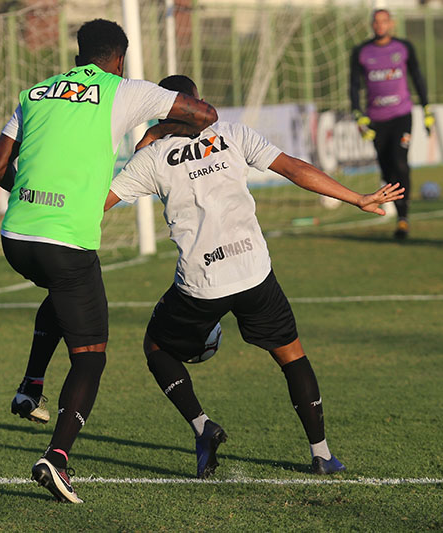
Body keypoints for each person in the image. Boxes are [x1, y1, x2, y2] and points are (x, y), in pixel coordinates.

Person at [104, 75, 404, 478]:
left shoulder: (153, 158)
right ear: (200, 104)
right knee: (291, 355)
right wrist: (357, 198)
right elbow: (294, 168)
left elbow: (99, 205)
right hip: (253, 274)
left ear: (165, 111)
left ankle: (202, 426)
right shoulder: (233, 134)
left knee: (157, 348)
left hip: (201, 283)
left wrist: (151, 135)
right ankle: (322, 454)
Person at [0, 20, 217, 503]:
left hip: (14, 237)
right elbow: (204, 113)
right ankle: (59, 459)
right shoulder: (123, 89)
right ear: (120, 58)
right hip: (65, 241)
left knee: (62, 290)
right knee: (90, 357)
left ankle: (31, 384)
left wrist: (34, 202)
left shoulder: (34, 93)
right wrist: (156, 130)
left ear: (79, 52)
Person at [350, 8, 433, 240]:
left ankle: (403, 218)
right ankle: (398, 210)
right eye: (376, 22)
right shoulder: (361, 52)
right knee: (386, 168)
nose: (380, 25)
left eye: (384, 21)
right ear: (371, 25)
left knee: (400, 162)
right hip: (377, 120)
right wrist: (358, 114)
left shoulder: (403, 47)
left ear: (391, 24)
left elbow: (417, 77)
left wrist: (427, 108)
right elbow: (354, 86)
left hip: (402, 115)